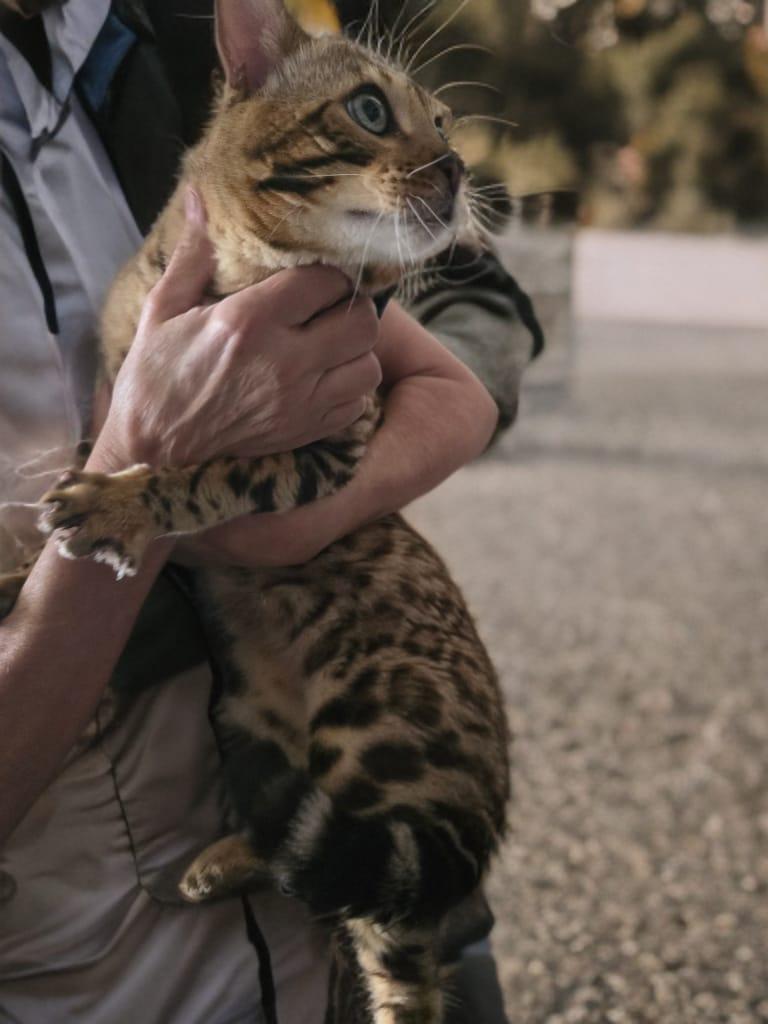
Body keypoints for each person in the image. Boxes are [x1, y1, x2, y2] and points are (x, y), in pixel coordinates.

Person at [0, 2, 542, 1021]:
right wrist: (150, 469)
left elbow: (472, 302)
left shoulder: (182, 31)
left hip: (338, 879)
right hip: (79, 967)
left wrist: (329, 489)